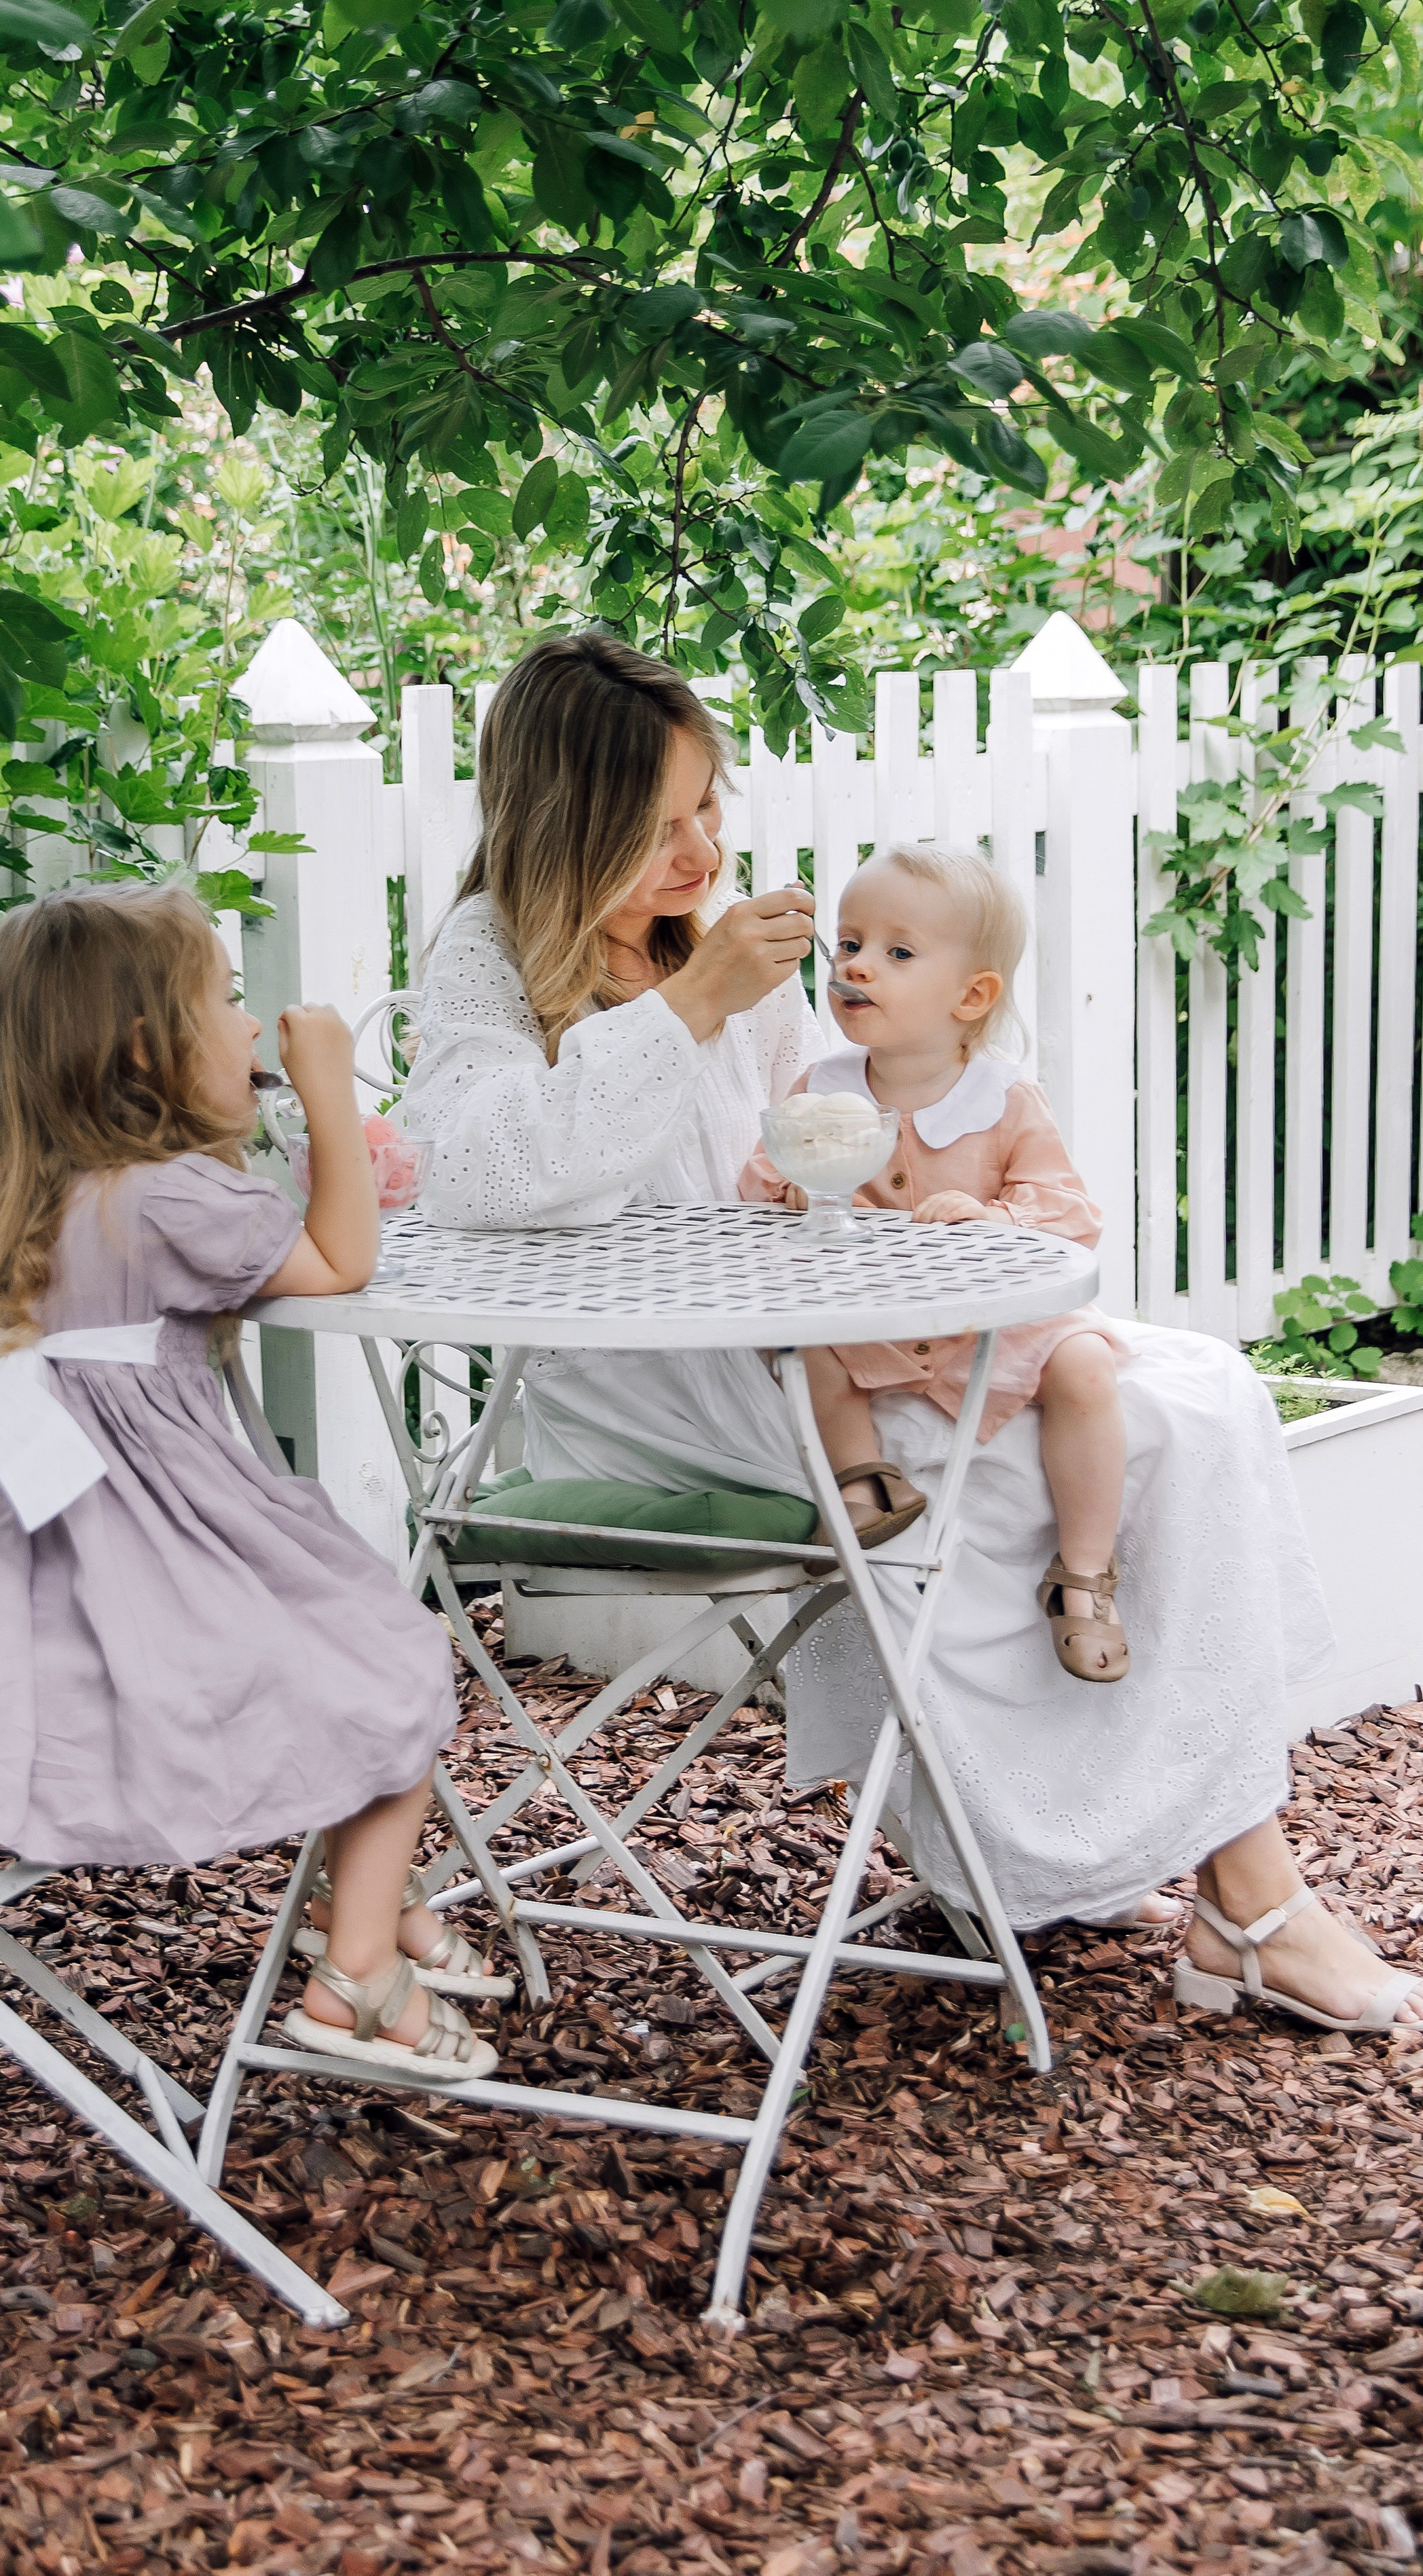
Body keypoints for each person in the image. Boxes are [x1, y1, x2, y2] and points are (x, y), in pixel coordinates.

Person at [402, 628, 1423, 2035]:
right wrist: (696, 1004)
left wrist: (912, 1191)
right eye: (659, 828)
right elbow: (484, 1172)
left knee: (1195, 1392)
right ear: (565, 825)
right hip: (646, 1378)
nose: (701, 855)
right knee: (1072, 1448)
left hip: (798, 1323)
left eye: (710, 810)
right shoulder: (486, 955)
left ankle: (1180, 1864)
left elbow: (794, 1161)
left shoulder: (701, 942)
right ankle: (1234, 1903)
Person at [0, 884, 506, 2086]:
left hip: (29, 1547)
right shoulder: (170, 1196)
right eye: (223, 1001)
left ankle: (388, 1915)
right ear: (146, 1049)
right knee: (395, 1662)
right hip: (136, 1552)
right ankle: (356, 1976)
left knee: (356, 1648)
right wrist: (330, 1083)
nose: (247, 1028)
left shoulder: (31, 1188)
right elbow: (341, 1259)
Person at [740, 843, 1130, 1684]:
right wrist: (796, 1191)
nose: (858, 966)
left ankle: (1085, 1574)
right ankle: (863, 1485)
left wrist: (990, 1217)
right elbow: (761, 1181)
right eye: (848, 945)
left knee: (1088, 1365)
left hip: (989, 1327)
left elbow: (1070, 1214)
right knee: (802, 1349)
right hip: (872, 1321)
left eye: (897, 952)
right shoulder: (825, 1082)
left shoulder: (1000, 1099)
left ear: (973, 995)